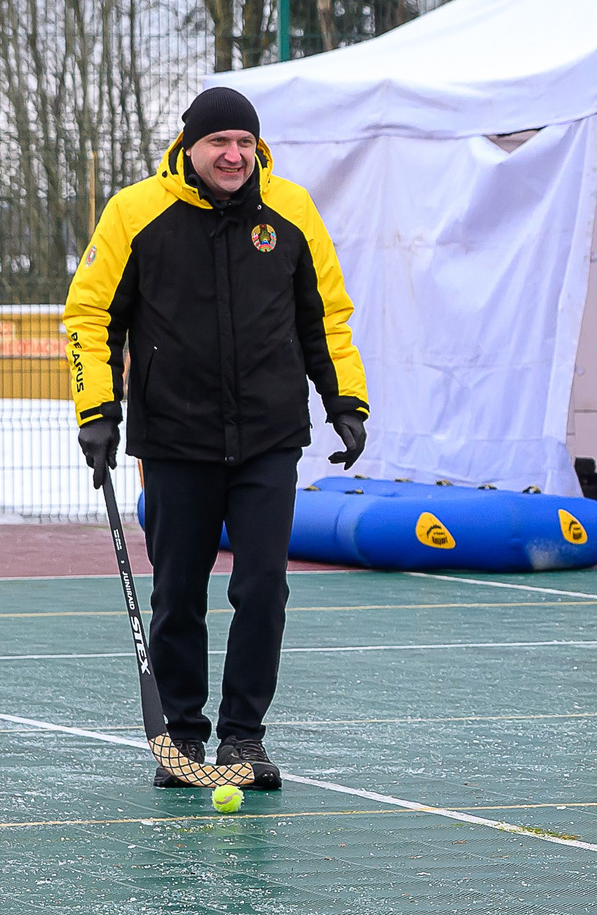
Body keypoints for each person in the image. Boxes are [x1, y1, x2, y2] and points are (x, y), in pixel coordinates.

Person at [64, 87, 369, 790]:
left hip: (269, 435)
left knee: (263, 587)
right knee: (178, 592)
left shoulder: (292, 211)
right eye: (218, 143)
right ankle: (180, 736)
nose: (233, 156)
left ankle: (243, 737)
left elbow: (326, 316)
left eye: (244, 143)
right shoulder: (135, 212)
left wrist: (345, 400)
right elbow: (91, 318)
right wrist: (97, 410)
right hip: (175, 438)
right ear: (189, 146)